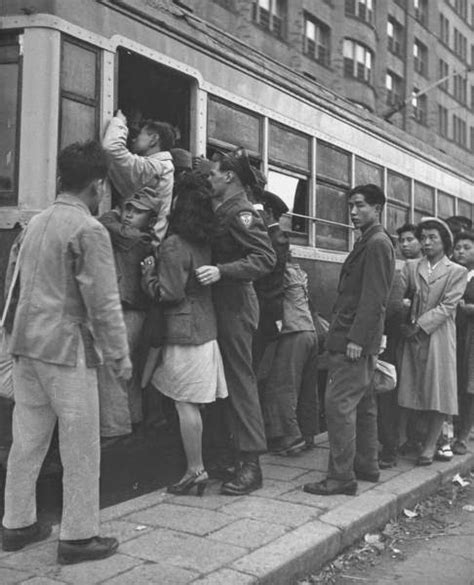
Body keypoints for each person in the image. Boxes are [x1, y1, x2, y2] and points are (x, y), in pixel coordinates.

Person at [2, 141, 131, 564]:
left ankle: (17, 525)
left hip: (25, 345)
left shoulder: (34, 223)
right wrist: (119, 354)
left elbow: (12, 286)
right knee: (80, 446)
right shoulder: (89, 229)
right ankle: (78, 536)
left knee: (28, 440)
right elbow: (104, 300)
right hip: (66, 348)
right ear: (97, 184)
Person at [303, 184, 395, 496]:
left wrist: (356, 338)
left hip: (352, 340)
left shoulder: (377, 243)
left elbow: (375, 298)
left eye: (360, 206)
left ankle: (341, 477)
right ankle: (367, 466)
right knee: (364, 404)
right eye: (351, 206)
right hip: (357, 338)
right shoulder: (371, 241)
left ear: (378, 207)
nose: (354, 212)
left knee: (338, 405)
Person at [195, 147, 276, 495]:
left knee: (240, 383)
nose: (210, 178)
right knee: (227, 383)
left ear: (229, 176)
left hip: (236, 305)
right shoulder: (227, 208)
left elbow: (265, 258)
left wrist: (222, 271)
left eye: (213, 173)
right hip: (225, 304)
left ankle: (251, 465)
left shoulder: (241, 211)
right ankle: (232, 456)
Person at [142, 177, 228, 496]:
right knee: (192, 403)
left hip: (183, 332)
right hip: (206, 329)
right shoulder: (204, 242)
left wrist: (147, 275)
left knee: (184, 404)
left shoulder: (175, 243)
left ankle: (196, 469)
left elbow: (169, 292)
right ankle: (198, 467)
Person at [397, 218, 467, 466]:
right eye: (423, 238)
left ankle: (429, 447)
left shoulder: (456, 272)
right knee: (409, 386)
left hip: (437, 336)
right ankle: (405, 439)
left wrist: (418, 325)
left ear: (444, 242)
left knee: (438, 391)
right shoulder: (411, 266)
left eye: (432, 238)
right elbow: (400, 295)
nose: (425, 243)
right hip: (411, 336)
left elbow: (448, 306)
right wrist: (404, 316)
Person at [97, 187, 157, 444]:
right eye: (128, 209)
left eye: (138, 212)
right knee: (126, 369)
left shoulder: (135, 238)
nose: (129, 215)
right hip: (134, 312)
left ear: (151, 220)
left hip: (129, 312)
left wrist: (114, 210)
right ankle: (132, 419)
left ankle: (115, 428)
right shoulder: (143, 238)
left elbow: (105, 222)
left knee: (113, 366)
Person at [260, 257, 319, 455]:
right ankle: (308, 434)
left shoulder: (279, 272)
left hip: (293, 332)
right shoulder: (298, 270)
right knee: (307, 389)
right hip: (309, 331)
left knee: (284, 386)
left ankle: (291, 437)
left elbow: (272, 301)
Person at [102, 110, 175, 243]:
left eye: (139, 135)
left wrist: (119, 122)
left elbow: (111, 149)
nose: (134, 139)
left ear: (154, 139)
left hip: (138, 244)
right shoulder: (162, 166)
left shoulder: (154, 167)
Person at [253, 190, 290, 367]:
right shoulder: (277, 236)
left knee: (255, 359)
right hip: (268, 308)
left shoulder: (274, 238)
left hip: (265, 309)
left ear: (268, 212)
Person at [451, 231, 474, 455]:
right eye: (458, 247)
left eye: (467, 247)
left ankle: (463, 435)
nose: (461, 252)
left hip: (471, 339)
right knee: (454, 383)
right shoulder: (453, 274)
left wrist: (470, 309)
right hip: (453, 336)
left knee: (469, 387)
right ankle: (451, 431)